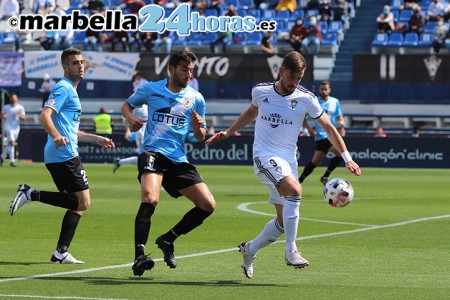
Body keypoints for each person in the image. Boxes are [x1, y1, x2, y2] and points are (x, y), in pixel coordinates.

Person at [205, 51, 361, 279]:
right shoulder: (261, 91)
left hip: (289, 160)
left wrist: (347, 158)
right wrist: (229, 131)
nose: (294, 83)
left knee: (281, 222)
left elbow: (329, 127)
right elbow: (251, 112)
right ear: (281, 71)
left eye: (299, 78)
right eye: (291, 77)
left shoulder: (306, 98)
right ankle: (291, 251)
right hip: (264, 156)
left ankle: (249, 250)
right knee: (295, 192)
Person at [9, 48, 115, 264]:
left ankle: (60, 252)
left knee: (75, 205)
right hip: (64, 154)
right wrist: (56, 135)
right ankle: (31, 194)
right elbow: (44, 115)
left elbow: (71, 130)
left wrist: (96, 138)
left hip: (61, 153)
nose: (80, 65)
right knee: (83, 202)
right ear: (65, 67)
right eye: (75, 62)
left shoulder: (71, 91)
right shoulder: (63, 88)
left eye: (82, 62)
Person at [120, 51, 216, 277]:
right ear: (171, 69)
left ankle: (168, 239)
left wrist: (198, 126)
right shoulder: (151, 89)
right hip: (152, 152)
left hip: (178, 158)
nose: (188, 74)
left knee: (208, 205)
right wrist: (130, 118)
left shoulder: (196, 98)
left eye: (191, 70)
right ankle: (139, 256)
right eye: (184, 69)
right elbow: (126, 105)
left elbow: (201, 136)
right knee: (150, 198)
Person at [298, 80, 346, 186]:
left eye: (326, 89)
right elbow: (302, 115)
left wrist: (342, 125)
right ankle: (325, 176)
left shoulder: (335, 102)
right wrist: (308, 129)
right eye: (322, 89)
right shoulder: (315, 101)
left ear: (329, 90)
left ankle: (299, 181)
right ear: (319, 90)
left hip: (331, 135)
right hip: (321, 136)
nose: (324, 91)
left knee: (315, 162)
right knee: (342, 155)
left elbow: (339, 115)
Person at [112, 104, 147, 173]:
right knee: (144, 157)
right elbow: (128, 118)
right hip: (141, 135)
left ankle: (120, 162)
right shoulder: (137, 107)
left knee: (145, 157)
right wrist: (127, 130)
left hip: (148, 135)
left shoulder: (148, 106)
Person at [1, 93, 26, 167]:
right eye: (12, 98)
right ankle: (12, 161)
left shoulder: (20, 107)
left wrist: (20, 114)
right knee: (12, 142)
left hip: (16, 128)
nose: (13, 100)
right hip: (8, 127)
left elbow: (24, 118)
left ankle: (2, 157)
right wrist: (3, 116)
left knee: (10, 143)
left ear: (17, 99)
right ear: (10, 99)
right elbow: (2, 115)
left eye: (14, 98)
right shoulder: (6, 107)